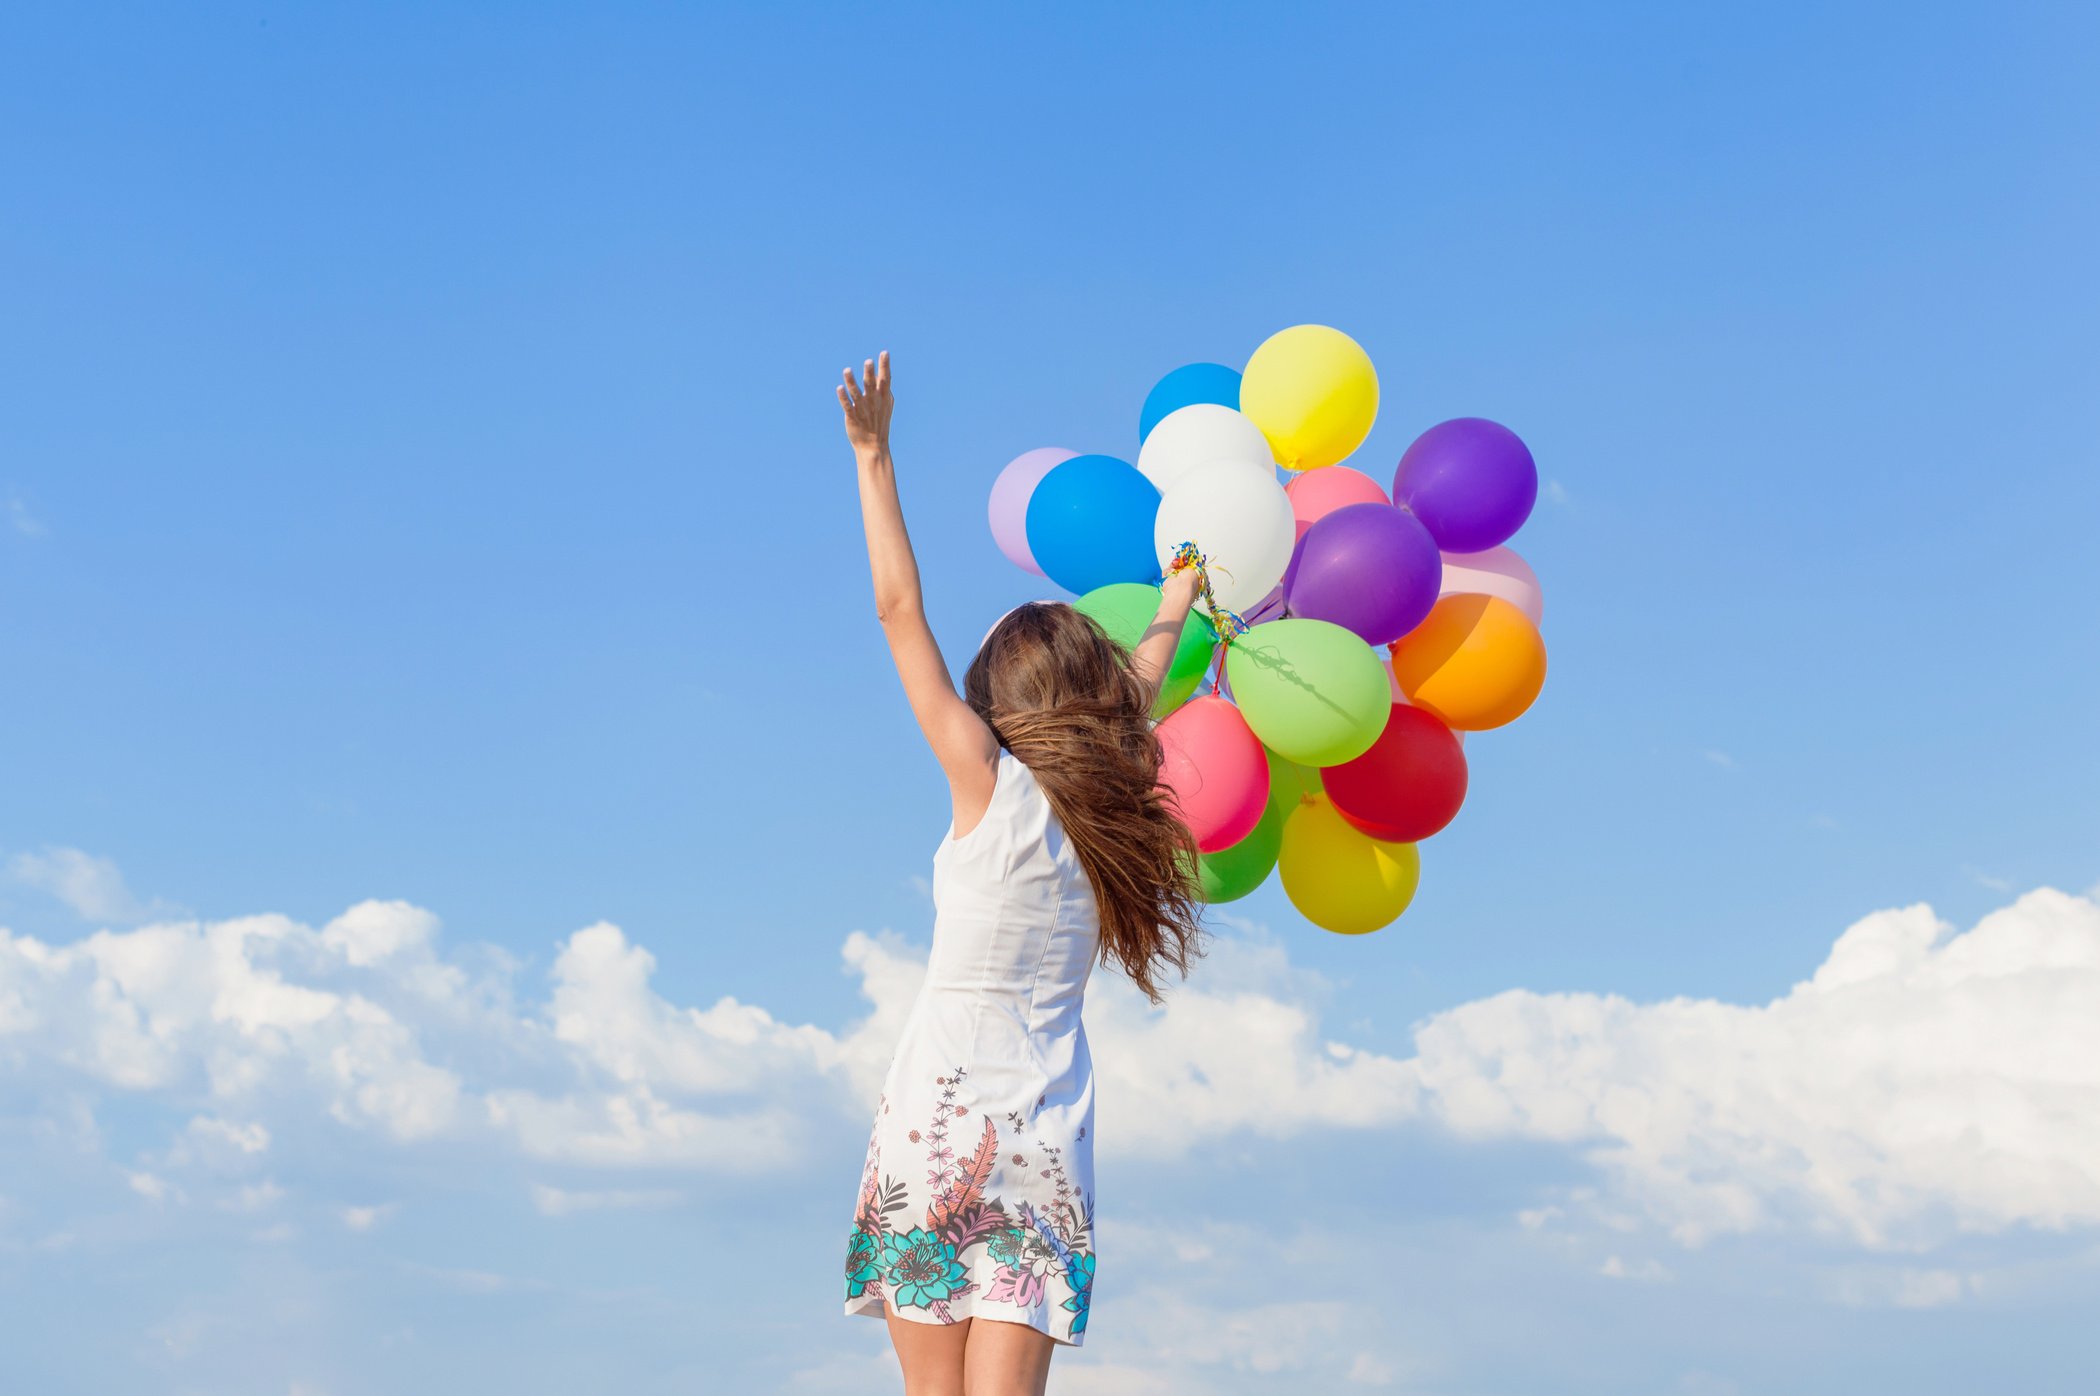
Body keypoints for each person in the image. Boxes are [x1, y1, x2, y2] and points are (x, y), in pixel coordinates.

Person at [837, 352, 1210, 1395]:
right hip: (1043, 1138)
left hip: (937, 1115)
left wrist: (874, 457)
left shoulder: (984, 778)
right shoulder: (1110, 804)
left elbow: (897, 610)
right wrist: (1177, 595)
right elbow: (1136, 688)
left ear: (1001, 698)